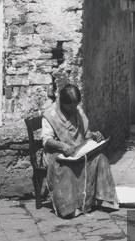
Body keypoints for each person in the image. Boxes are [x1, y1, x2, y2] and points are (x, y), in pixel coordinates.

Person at [41, 84, 118, 218]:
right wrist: (63, 146)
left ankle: (97, 199)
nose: (73, 109)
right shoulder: (50, 115)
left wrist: (93, 135)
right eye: (70, 106)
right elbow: (46, 140)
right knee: (66, 169)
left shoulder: (78, 111)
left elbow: (83, 135)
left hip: (78, 150)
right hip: (57, 153)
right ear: (62, 103)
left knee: (101, 159)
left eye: (75, 105)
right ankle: (69, 207)